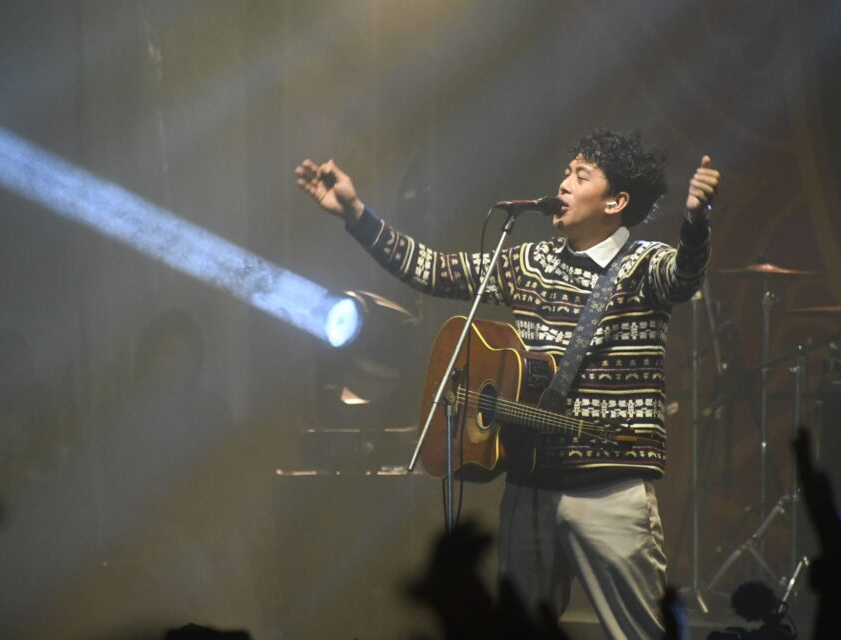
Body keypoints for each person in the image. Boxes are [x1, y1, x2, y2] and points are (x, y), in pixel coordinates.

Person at [295, 130, 719, 639]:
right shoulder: (529, 261)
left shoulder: (645, 264)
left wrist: (695, 221)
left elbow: (684, 277)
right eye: (566, 171)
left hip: (610, 488)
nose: (564, 183)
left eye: (581, 176)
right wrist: (356, 215)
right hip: (530, 485)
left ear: (616, 202)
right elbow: (435, 271)